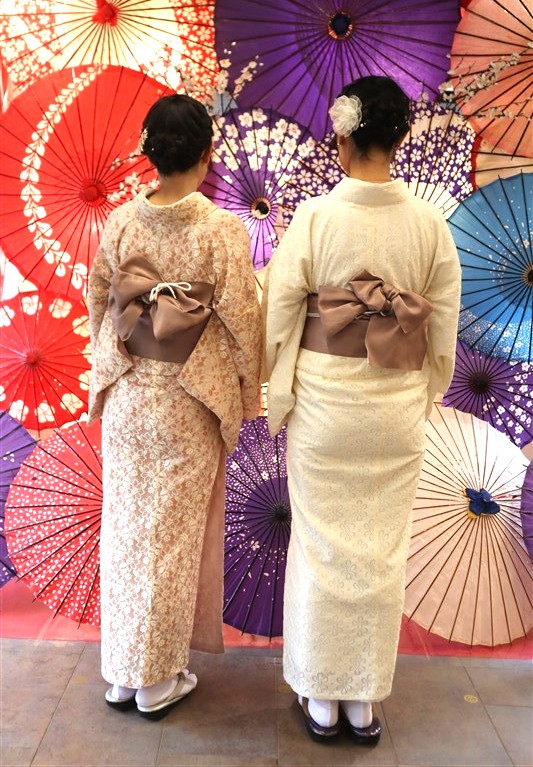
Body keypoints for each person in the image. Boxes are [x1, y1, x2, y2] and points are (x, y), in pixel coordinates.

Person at [263, 76, 461, 743]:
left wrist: (274, 380)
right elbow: (442, 323)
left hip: (325, 403)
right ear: (399, 139)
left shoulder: (317, 216)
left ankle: (320, 695)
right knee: (380, 549)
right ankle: (363, 699)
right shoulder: (428, 222)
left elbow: (280, 309)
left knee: (321, 543)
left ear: (343, 137)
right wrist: (427, 387)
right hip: (394, 403)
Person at [88, 94, 263, 719]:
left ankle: (122, 673)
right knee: (171, 539)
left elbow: (99, 301)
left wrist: (112, 363)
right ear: (207, 154)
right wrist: (248, 394)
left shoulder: (120, 223)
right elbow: (243, 321)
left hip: (129, 395)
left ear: (150, 152)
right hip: (188, 399)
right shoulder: (221, 229)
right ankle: (156, 679)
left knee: (126, 530)